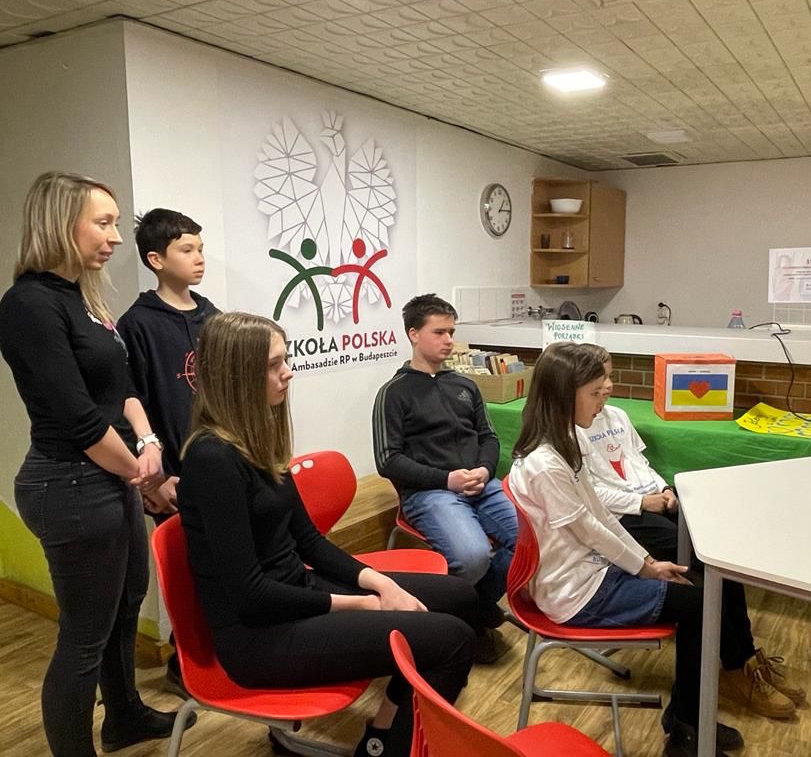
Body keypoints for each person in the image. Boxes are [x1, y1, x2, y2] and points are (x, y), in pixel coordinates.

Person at [177, 311, 479, 757]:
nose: (288, 372)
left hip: (297, 594)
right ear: (238, 377)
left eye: (286, 359)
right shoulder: (212, 459)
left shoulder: (257, 442)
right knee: (452, 640)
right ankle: (386, 746)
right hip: (259, 637)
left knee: (459, 597)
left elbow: (310, 542)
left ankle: (382, 729)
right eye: (275, 365)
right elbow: (250, 595)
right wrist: (363, 604)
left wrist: (381, 584)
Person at [0, 171, 193, 757]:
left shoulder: (81, 298)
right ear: (62, 223)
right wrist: (144, 474)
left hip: (109, 477)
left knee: (126, 602)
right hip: (70, 484)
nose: (114, 237)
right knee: (83, 638)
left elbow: (122, 386)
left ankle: (124, 717)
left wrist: (148, 441)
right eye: (103, 222)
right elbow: (80, 420)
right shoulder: (28, 304)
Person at [510, 341, 748, 757]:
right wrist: (644, 567)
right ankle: (686, 731)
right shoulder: (545, 463)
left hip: (593, 570)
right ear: (564, 395)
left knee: (702, 587)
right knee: (701, 605)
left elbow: (600, 515)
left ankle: (686, 719)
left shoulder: (568, 441)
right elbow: (590, 530)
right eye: (594, 393)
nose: (602, 401)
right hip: (577, 592)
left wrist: (647, 562)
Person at [577, 344, 804, 722]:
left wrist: (663, 489)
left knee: (722, 550)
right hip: (625, 516)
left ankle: (746, 658)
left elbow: (638, 463)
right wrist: (641, 502)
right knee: (704, 564)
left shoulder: (616, 415)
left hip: (654, 500)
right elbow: (593, 495)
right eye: (598, 384)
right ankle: (736, 667)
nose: (608, 388)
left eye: (610, 378)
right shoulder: (575, 428)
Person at [372, 293, 518, 660]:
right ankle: (469, 618)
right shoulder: (393, 393)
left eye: (451, 332)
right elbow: (388, 461)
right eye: (439, 332)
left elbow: (489, 438)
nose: (449, 340)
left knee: (532, 541)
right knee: (473, 556)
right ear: (413, 334)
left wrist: (484, 470)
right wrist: (446, 479)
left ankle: (473, 611)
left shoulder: (465, 385)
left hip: (481, 485)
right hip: (430, 492)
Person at [116, 208, 219, 697]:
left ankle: (222, 653)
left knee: (222, 565)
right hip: (172, 478)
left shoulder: (212, 315)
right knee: (187, 572)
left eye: (201, 248)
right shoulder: (136, 324)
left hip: (219, 466)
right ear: (155, 259)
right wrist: (154, 481)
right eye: (187, 249)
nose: (199, 258)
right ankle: (184, 664)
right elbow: (129, 402)